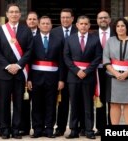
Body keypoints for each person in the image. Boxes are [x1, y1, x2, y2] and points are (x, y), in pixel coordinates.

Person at [0, 3, 33, 139]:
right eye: (12, 12)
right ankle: (5, 129)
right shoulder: (0, 30)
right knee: (3, 103)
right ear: (7, 14)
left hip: (20, 73)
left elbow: (29, 51)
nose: (14, 14)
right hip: (4, 73)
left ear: (20, 15)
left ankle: (16, 129)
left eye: (17, 12)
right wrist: (9, 66)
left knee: (18, 103)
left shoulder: (25, 30)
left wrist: (18, 65)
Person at [64, 15, 102, 139]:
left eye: (86, 24)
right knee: (74, 104)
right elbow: (66, 57)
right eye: (81, 24)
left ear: (89, 25)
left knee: (88, 104)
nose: (84, 26)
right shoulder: (69, 39)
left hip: (88, 76)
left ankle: (89, 130)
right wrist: (76, 71)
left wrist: (86, 71)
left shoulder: (95, 39)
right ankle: (74, 130)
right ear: (77, 25)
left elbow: (97, 57)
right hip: (73, 76)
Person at [28, 16, 65, 138]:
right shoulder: (32, 39)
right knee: (37, 104)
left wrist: (61, 79)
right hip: (36, 77)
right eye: (42, 23)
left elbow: (61, 61)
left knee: (51, 104)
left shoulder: (58, 40)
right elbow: (28, 60)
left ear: (51, 25)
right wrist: (28, 79)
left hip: (53, 77)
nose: (45, 25)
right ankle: (37, 129)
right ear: (38, 25)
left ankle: (49, 128)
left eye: (47, 23)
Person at [103, 18, 128, 125]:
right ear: (115, 28)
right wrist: (115, 73)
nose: (120, 28)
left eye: (122, 26)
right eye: (118, 26)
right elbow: (105, 58)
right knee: (114, 104)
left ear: (127, 27)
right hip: (112, 77)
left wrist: (126, 73)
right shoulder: (110, 41)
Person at [51, 8, 79, 137]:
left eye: (68, 17)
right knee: (62, 102)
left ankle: (78, 127)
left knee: (76, 102)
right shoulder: (54, 32)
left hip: (76, 73)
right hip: (58, 73)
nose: (65, 19)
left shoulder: (78, 30)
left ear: (73, 19)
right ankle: (60, 128)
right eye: (63, 17)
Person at [92, 11, 113, 135]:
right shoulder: (92, 35)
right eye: (100, 18)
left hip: (113, 71)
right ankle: (101, 128)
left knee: (112, 99)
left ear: (109, 20)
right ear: (97, 20)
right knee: (99, 98)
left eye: (105, 17)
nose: (103, 20)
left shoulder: (116, 33)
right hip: (97, 71)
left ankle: (111, 126)